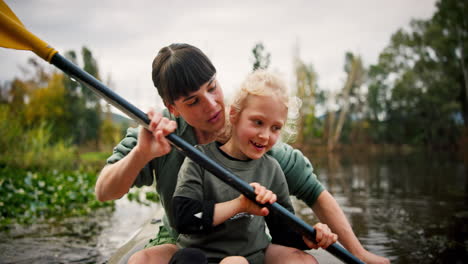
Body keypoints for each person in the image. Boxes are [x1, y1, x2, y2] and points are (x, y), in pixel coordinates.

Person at [95, 43, 390, 264]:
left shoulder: (255, 138)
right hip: (184, 240)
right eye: (193, 100)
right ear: (173, 108)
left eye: (212, 87)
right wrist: (142, 154)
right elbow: (105, 191)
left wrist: (359, 253)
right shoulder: (157, 132)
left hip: (246, 246)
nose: (211, 105)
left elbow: (315, 193)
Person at [171, 70, 337, 264]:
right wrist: (241, 205)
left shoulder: (271, 169)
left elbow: (283, 232)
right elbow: (186, 219)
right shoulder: (199, 159)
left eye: (275, 128)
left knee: (304, 261)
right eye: (258, 122)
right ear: (233, 114)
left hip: (252, 257)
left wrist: (308, 236)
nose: (265, 135)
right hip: (200, 258)